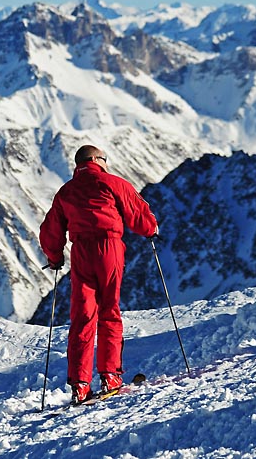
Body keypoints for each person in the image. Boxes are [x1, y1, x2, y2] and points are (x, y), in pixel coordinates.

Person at [39, 144, 158, 404]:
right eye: (104, 159)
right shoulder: (113, 183)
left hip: (80, 252)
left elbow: (51, 229)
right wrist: (150, 229)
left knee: (82, 316)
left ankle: (80, 384)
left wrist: (55, 257)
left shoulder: (66, 192)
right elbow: (137, 212)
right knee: (109, 312)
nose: (106, 163)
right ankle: (110, 375)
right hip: (109, 248)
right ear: (95, 159)